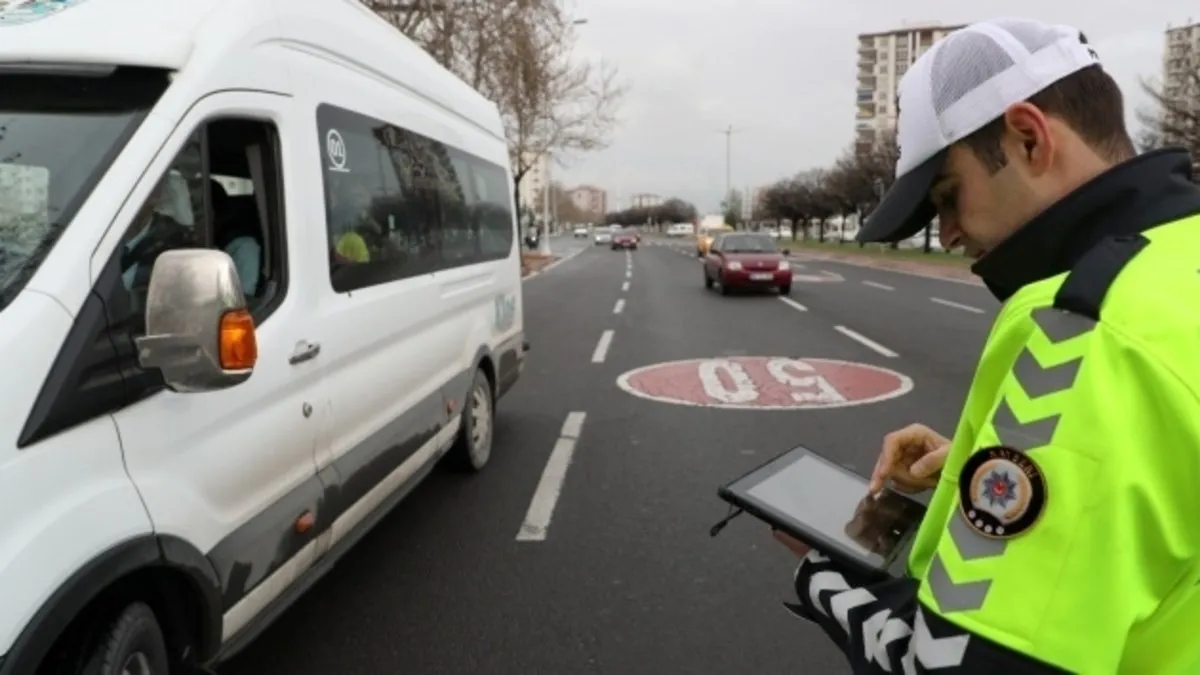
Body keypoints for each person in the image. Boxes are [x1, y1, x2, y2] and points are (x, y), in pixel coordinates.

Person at [773, 18, 1200, 674]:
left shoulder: (1085, 327)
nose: (947, 233)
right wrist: (989, 465)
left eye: (949, 196)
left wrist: (821, 571)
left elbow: (948, 663)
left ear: (1028, 137)